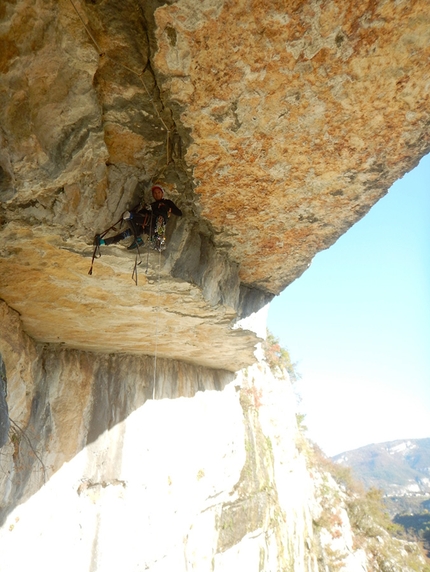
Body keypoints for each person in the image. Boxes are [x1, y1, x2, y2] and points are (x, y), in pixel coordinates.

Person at [95, 185, 182, 251]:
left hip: (155, 223)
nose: (157, 194)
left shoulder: (167, 202)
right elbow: (143, 213)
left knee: (127, 215)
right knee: (127, 233)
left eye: (159, 192)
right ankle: (102, 242)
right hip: (148, 227)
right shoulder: (152, 205)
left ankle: (138, 239)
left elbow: (179, 213)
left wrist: (168, 208)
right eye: (155, 193)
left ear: (162, 193)